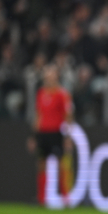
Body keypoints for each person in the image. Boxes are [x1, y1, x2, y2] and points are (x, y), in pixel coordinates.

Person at [28, 64, 74, 206]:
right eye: (46, 75)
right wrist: (33, 137)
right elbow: (38, 116)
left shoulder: (62, 94)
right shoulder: (41, 93)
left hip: (56, 133)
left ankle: (66, 198)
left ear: (56, 77)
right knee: (41, 164)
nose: (48, 78)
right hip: (43, 133)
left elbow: (68, 116)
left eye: (51, 75)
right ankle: (42, 199)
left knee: (62, 165)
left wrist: (67, 136)